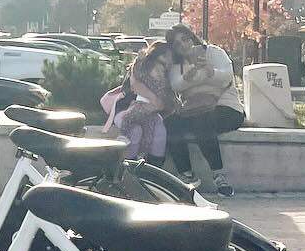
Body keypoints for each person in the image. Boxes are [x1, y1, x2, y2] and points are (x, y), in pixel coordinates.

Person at [164, 24, 245, 197]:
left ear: (192, 36)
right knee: (170, 123)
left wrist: (209, 72)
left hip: (227, 108)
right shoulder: (176, 65)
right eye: (177, 44)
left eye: (185, 39)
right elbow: (176, 84)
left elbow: (226, 75)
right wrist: (192, 75)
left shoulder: (214, 53)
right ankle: (186, 174)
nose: (183, 45)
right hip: (193, 110)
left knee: (203, 120)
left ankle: (219, 175)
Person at [103, 40, 177, 165]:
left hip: (151, 113)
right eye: (166, 57)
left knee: (159, 131)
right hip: (127, 109)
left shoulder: (166, 75)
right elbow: (135, 86)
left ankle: (153, 169)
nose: (169, 61)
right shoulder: (141, 68)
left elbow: (169, 99)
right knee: (135, 131)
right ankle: (127, 167)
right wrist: (155, 101)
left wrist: (161, 104)